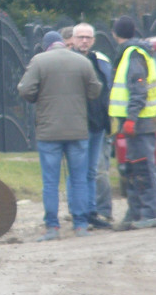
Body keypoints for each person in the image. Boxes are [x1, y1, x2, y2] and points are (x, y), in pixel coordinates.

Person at [17, 30, 102, 240]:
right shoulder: (81, 62)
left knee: (50, 182)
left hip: (49, 131)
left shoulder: (39, 62)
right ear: (64, 44)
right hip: (78, 129)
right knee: (80, 179)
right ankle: (81, 225)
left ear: (46, 46)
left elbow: (25, 90)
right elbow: (95, 91)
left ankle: (52, 227)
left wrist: (39, 97)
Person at [108, 15, 156, 230]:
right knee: (132, 168)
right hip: (137, 123)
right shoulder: (132, 53)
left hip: (140, 123)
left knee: (143, 167)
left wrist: (131, 119)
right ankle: (135, 213)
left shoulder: (132, 55)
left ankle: (150, 214)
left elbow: (138, 91)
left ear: (114, 34)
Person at [72, 23, 114, 229]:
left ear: (94, 40)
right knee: (77, 171)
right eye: (80, 37)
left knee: (92, 171)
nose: (84, 40)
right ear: (73, 39)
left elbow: (107, 90)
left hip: (98, 124)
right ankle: (78, 213)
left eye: (88, 37)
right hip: (77, 125)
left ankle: (92, 211)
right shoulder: (69, 62)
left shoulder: (100, 61)